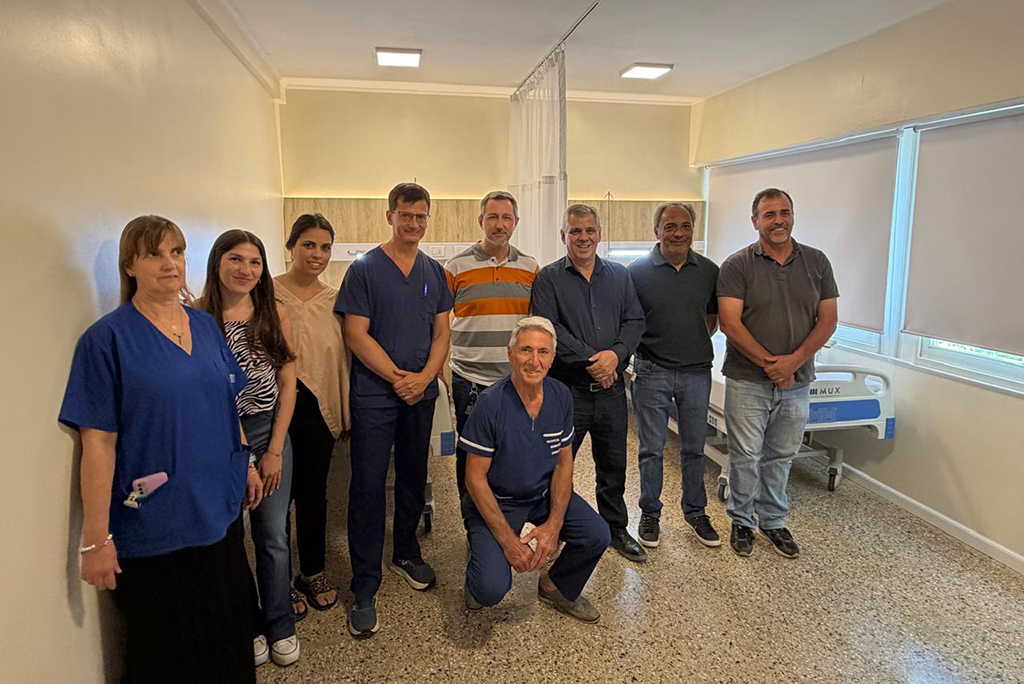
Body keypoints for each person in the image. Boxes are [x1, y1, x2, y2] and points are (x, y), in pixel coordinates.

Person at [59, 215, 262, 684]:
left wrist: (247, 462)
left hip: (218, 506)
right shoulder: (107, 339)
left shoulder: (205, 326)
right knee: (169, 649)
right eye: (154, 254)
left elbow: (227, 403)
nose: (170, 264)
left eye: (177, 252)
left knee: (227, 634)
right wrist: (96, 539)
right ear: (130, 265)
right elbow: (98, 442)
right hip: (155, 517)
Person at [335, 182, 453, 638]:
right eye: (406, 215)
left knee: (412, 475)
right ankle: (365, 584)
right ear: (390, 216)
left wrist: (424, 378)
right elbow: (356, 334)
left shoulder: (434, 272)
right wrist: (398, 378)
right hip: (375, 394)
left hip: (420, 393)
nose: (414, 223)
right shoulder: (364, 270)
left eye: (421, 216)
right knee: (367, 485)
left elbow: (442, 333)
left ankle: (405, 551)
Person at [461, 317, 610, 622]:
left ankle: (556, 586)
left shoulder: (561, 396)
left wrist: (554, 525)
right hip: (499, 500)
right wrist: (509, 544)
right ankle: (479, 565)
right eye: (525, 350)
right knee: (488, 589)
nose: (534, 361)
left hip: (541, 494)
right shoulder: (490, 403)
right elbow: (474, 479)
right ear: (510, 354)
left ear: (553, 358)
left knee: (597, 534)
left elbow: (564, 462)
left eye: (543, 352)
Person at [717, 188, 839, 559]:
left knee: (781, 455)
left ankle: (772, 521)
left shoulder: (816, 262)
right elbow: (730, 323)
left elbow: (828, 320)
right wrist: (772, 365)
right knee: (745, 455)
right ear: (755, 221)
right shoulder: (738, 265)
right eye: (769, 214)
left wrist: (793, 363)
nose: (778, 220)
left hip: (797, 382)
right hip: (747, 379)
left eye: (784, 212)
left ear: (793, 216)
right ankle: (741, 520)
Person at [198, 230, 300, 667]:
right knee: (231, 535)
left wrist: (273, 451)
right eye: (236, 259)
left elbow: (288, 383)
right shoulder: (198, 318)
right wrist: (244, 461)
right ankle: (247, 624)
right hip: (219, 436)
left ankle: (280, 623)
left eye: (254, 261)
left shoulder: (274, 312)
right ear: (217, 263)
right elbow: (207, 392)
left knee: (272, 534)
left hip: (269, 430)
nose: (246, 269)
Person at [531, 204, 647, 562]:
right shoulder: (548, 279)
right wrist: (596, 361)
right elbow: (550, 329)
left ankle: (615, 528)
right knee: (556, 465)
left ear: (599, 233)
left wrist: (616, 354)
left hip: (611, 392)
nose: (583, 237)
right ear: (563, 236)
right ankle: (554, 528)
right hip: (568, 392)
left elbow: (635, 321)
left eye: (590, 230)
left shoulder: (619, 276)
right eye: (575, 231)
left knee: (613, 465)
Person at [627, 203, 721, 549]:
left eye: (685, 226)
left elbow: (711, 320)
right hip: (652, 370)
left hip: (697, 372)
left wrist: (688, 345)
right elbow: (630, 321)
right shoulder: (636, 273)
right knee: (651, 449)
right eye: (670, 226)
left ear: (693, 229)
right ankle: (650, 513)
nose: (678, 233)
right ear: (657, 231)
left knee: (694, 448)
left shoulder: (709, 271)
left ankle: (696, 512)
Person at [275, 213, 351, 615]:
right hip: (273, 414)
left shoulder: (336, 302)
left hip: (318, 412)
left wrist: (344, 413)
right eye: (308, 244)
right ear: (291, 246)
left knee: (312, 494)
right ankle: (280, 579)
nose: (317, 254)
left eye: (325, 247)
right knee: (275, 500)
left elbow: (342, 362)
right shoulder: (265, 294)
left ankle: (313, 571)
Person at [445, 190, 539, 500]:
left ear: (516, 222)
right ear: (480, 221)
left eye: (506, 218)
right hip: (469, 379)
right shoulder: (455, 267)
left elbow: (536, 325)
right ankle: (472, 515)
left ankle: (506, 514)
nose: (499, 225)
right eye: (493, 217)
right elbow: (438, 323)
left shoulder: (530, 267)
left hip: (515, 380)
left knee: (512, 452)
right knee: (471, 454)